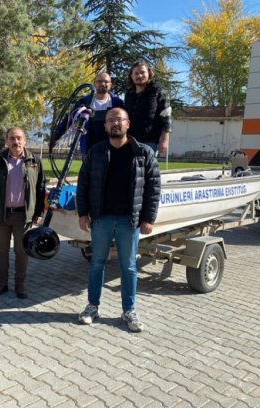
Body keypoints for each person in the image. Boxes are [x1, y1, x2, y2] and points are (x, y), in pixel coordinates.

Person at [76, 107, 160, 332]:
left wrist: (148, 218)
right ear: (105, 126)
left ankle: (129, 311)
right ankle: (92, 306)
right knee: (97, 264)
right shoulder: (96, 152)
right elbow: (83, 184)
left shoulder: (142, 153)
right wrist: (83, 213)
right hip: (101, 219)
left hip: (129, 221)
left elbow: (153, 188)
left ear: (127, 124)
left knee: (129, 267)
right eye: (110, 120)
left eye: (119, 119)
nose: (115, 123)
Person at [0, 128, 45, 299]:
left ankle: (20, 285)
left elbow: (41, 188)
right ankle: (1, 284)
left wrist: (39, 212)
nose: (15, 142)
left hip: (23, 216)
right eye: (12, 138)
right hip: (1, 216)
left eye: (19, 138)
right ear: (6, 141)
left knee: (22, 252)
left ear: (25, 140)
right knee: (1, 252)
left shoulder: (34, 161)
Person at [55, 73, 124, 159]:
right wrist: (55, 137)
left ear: (110, 84)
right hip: (88, 151)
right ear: (94, 83)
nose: (103, 84)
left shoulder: (117, 103)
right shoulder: (84, 102)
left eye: (106, 82)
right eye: (99, 81)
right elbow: (69, 120)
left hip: (112, 150)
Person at [124, 61, 172, 155]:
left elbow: (166, 116)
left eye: (142, 72)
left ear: (149, 73)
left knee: (148, 164)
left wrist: (164, 140)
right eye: (136, 73)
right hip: (129, 140)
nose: (139, 75)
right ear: (131, 76)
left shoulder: (158, 90)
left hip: (150, 141)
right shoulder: (129, 93)